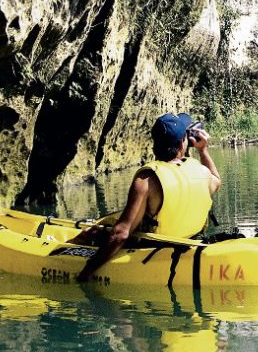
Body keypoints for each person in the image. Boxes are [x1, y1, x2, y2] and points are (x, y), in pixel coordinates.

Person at [76, 113, 221, 282]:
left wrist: (85, 272)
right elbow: (217, 181)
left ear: (155, 145)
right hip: (192, 242)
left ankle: (64, 252)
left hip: (155, 249)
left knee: (93, 232)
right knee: (109, 221)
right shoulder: (202, 171)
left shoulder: (146, 179)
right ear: (183, 142)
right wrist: (203, 151)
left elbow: (121, 234)